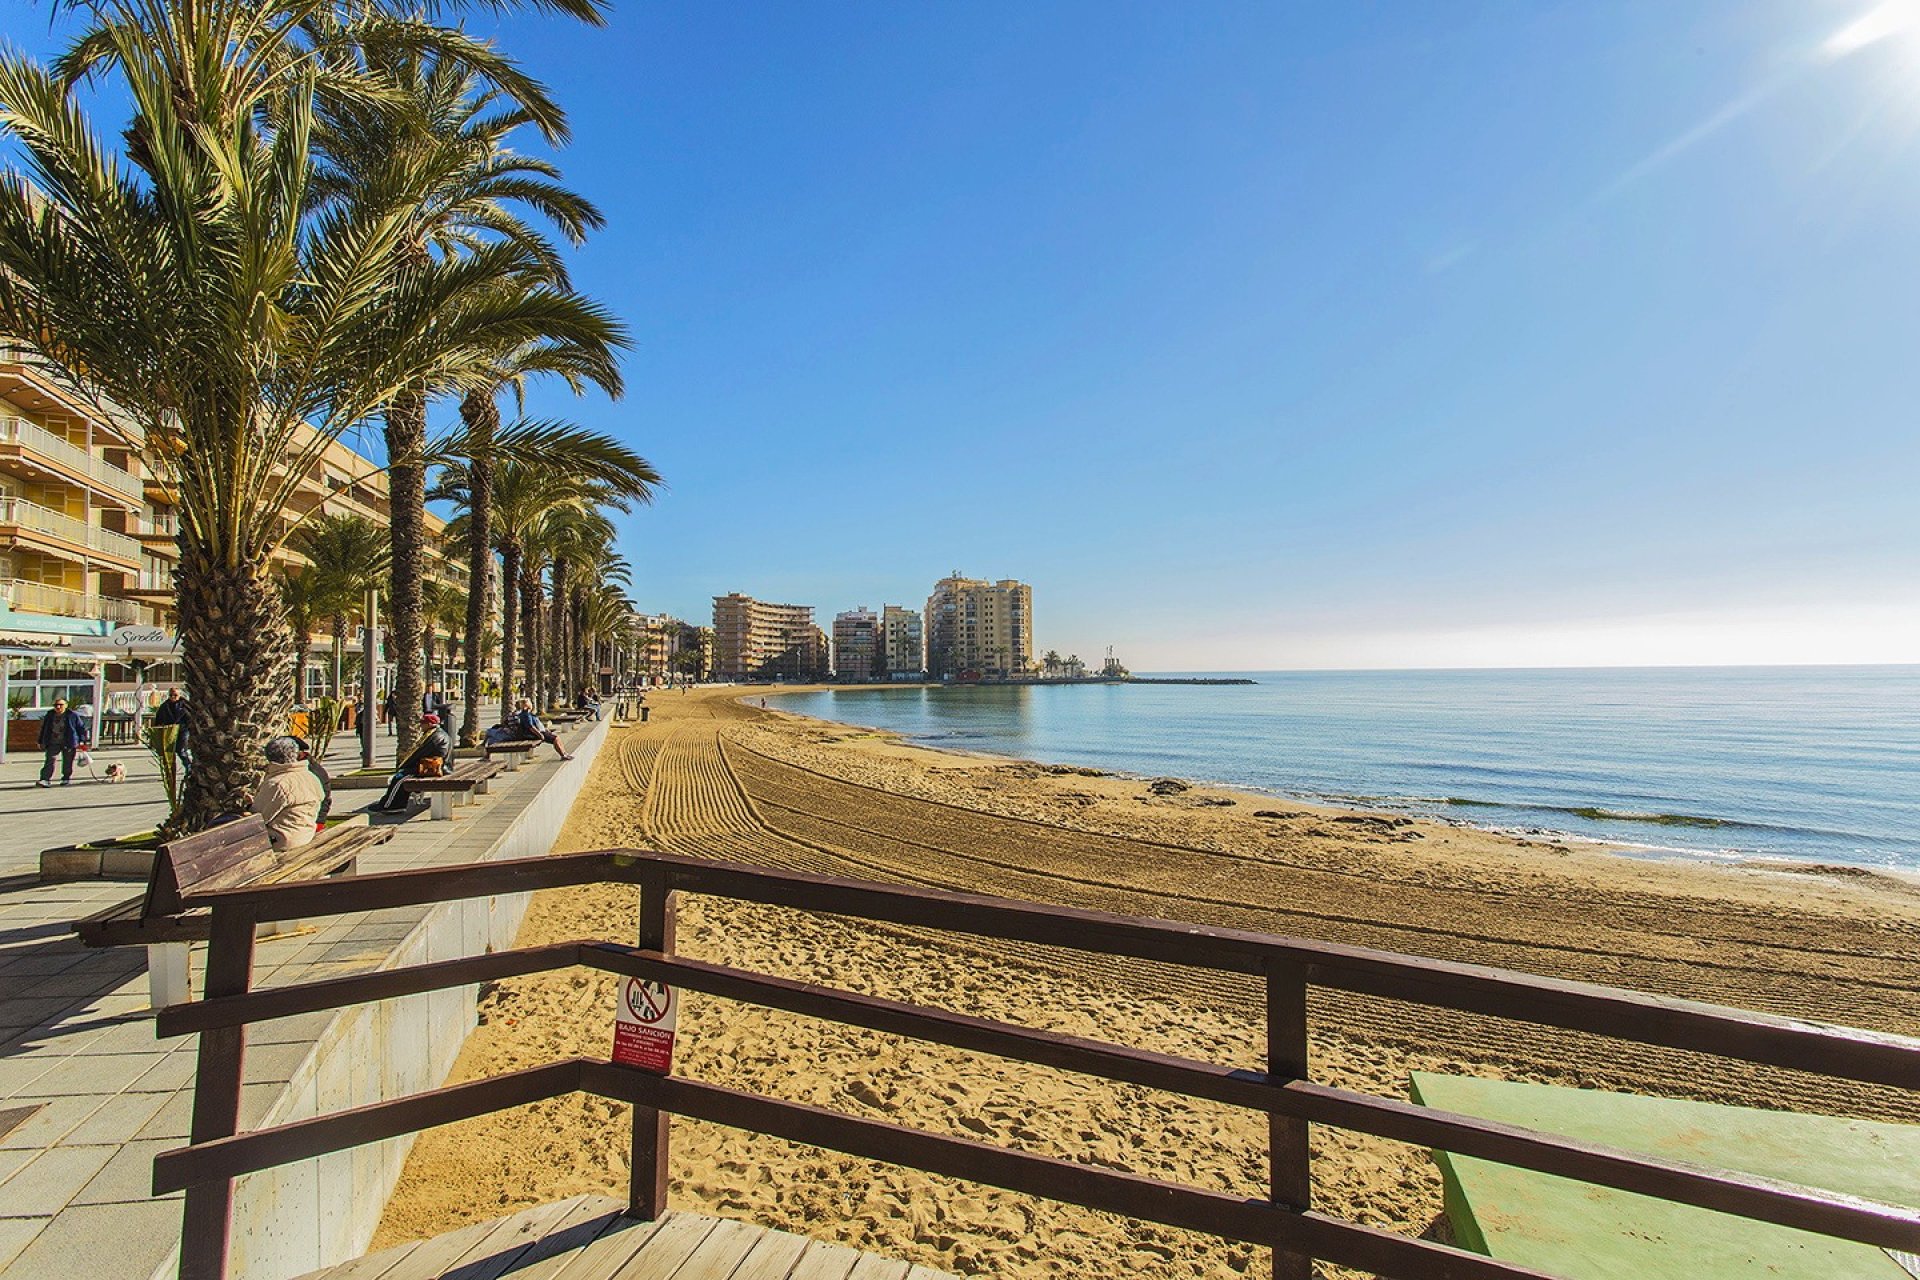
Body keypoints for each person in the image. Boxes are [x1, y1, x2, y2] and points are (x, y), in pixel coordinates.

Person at [252, 737, 326, 849]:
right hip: (306, 834)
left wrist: (249, 806)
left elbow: (259, 817)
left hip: (282, 840)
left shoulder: (277, 783)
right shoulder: (310, 776)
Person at [372, 714, 452, 813]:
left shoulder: (435, 737)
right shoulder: (436, 734)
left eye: (423, 723)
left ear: (430, 724)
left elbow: (419, 754)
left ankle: (390, 805)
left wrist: (405, 765)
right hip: (437, 767)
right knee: (402, 776)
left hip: (432, 768)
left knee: (399, 778)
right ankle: (396, 803)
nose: (420, 726)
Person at [36, 697, 91, 787]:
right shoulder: (50, 715)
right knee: (50, 760)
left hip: (68, 742)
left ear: (66, 706)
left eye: (60, 705)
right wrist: (40, 741)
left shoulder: (72, 715)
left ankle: (66, 778)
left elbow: (81, 728)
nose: (58, 707)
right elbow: (44, 728)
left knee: (68, 761)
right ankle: (45, 779)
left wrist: (82, 741)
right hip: (53, 742)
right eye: (56, 705)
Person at [503, 697, 572, 760]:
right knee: (555, 739)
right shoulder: (525, 715)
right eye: (530, 703)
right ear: (527, 705)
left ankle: (565, 753)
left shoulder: (527, 713)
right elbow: (531, 727)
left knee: (557, 738)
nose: (532, 704)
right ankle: (563, 755)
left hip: (538, 731)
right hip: (532, 734)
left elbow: (536, 724)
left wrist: (545, 729)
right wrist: (540, 735)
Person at [152, 686, 190, 772]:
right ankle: (170, 771)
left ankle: (188, 767)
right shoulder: (165, 706)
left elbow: (190, 718)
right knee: (169, 752)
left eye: (175, 695)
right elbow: (158, 719)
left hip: (182, 730)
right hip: (169, 731)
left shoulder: (185, 705)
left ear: (179, 695)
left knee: (181, 750)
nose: (173, 697)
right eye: (171, 695)